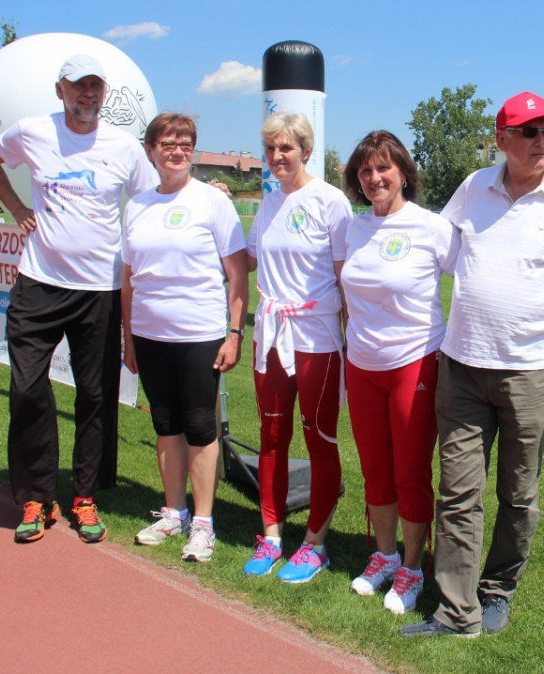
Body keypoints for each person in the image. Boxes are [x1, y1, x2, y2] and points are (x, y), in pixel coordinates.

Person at [400, 91, 544, 637]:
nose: (542, 142)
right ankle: (455, 609)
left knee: (517, 493)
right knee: (458, 490)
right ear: (502, 139)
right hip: (461, 365)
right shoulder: (473, 188)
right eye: (530, 132)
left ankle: (497, 592)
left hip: (530, 372)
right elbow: (432, 244)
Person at [0, 54, 159, 544]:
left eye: (96, 86)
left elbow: (151, 201)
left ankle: (84, 496)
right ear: (61, 90)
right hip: (38, 283)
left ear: (104, 93)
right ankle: (37, 496)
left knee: (96, 398)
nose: (88, 95)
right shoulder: (33, 131)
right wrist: (15, 207)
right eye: (79, 86)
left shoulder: (123, 147)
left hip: (99, 290)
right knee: (27, 388)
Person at [339, 131, 459, 614]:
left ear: (404, 173)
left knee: (410, 472)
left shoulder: (432, 228)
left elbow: (470, 281)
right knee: (375, 472)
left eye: (383, 169)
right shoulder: (352, 227)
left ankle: (413, 566)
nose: (374, 178)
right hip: (361, 364)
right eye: (365, 171)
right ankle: (384, 556)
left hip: (415, 361)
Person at [121, 113, 248, 562]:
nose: (176, 151)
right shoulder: (136, 205)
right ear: (151, 149)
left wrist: (234, 334)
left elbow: (237, 276)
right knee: (165, 426)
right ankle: (173, 513)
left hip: (200, 334)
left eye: (185, 144)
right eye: (167, 143)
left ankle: (203, 525)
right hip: (150, 334)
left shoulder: (212, 202)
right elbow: (129, 278)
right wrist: (129, 337)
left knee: (199, 427)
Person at [243, 112, 351, 583]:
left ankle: (314, 544)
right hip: (270, 334)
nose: (277, 157)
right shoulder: (267, 204)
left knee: (318, 438)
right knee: (270, 436)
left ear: (306, 150)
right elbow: (245, 259)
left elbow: (347, 278)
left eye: (285, 148)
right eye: (270, 149)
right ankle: (271, 535)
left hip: (316, 338)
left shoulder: (331, 202)